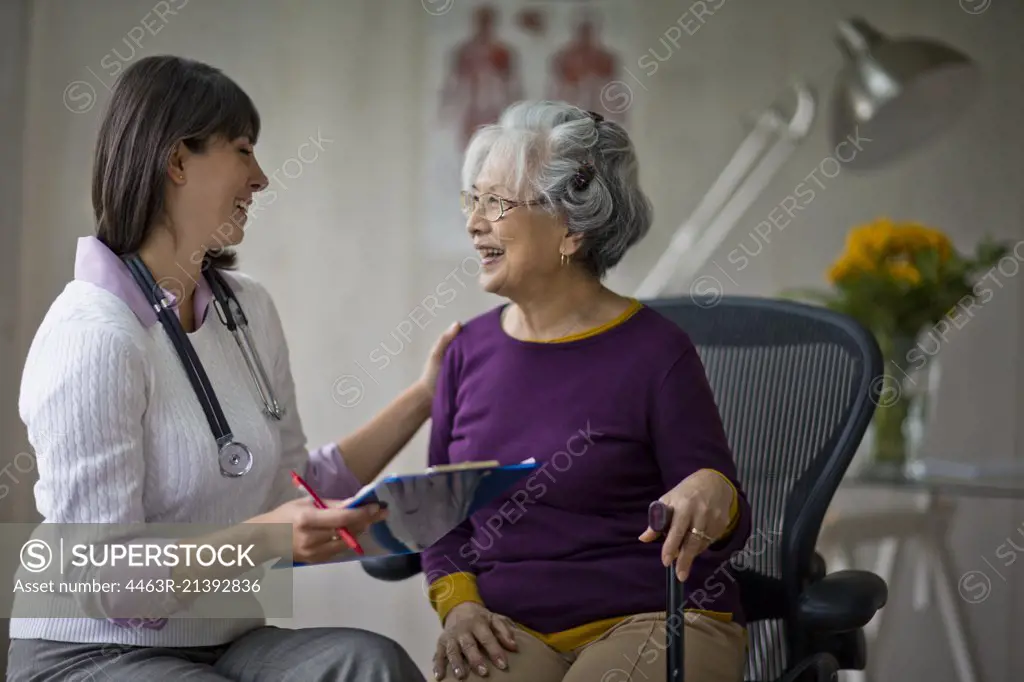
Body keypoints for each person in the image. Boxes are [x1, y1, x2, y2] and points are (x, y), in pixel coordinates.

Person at [7, 55, 453, 682]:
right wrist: (267, 540)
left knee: (368, 662)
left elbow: (292, 488)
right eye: (243, 150)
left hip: (227, 641)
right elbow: (105, 581)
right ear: (177, 161)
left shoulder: (250, 311)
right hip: (93, 651)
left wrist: (425, 396)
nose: (262, 177)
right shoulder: (92, 334)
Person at [421, 100, 751, 682]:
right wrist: (460, 605)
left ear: (571, 229)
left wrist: (711, 488)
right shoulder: (465, 354)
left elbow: (726, 514)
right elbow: (441, 520)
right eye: (472, 200)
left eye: (496, 203)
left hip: (657, 613)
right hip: (510, 625)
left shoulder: (656, 350)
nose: (474, 222)